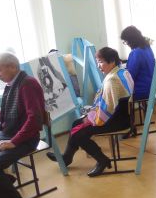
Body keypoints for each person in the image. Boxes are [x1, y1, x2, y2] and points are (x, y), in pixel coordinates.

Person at [47, 47, 134, 177]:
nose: (98, 66)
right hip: (124, 116)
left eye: (101, 62)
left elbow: (108, 108)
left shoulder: (112, 80)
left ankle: (102, 160)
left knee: (79, 134)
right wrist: (90, 114)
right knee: (76, 123)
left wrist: (90, 118)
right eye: (97, 62)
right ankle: (67, 157)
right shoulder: (122, 71)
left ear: (112, 61)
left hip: (117, 121)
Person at [0, 53, 45, 198]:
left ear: (12, 67)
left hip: (25, 139)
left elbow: (35, 119)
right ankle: (4, 181)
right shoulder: (13, 84)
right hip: (8, 135)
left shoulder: (28, 84)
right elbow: (5, 113)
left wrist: (13, 142)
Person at [121, 26, 155, 101]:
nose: (126, 44)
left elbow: (130, 76)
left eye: (126, 41)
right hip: (151, 87)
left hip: (141, 91)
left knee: (118, 97)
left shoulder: (136, 52)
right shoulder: (147, 47)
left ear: (131, 40)